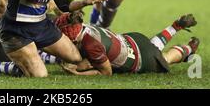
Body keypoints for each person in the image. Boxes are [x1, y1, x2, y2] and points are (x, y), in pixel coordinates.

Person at [56, 11, 200, 76]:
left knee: (166, 58)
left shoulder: (90, 44)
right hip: (135, 39)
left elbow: (106, 72)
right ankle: (175, 27)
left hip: (141, 59)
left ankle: (189, 49)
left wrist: (78, 73)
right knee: (153, 46)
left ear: (71, 38)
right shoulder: (85, 27)